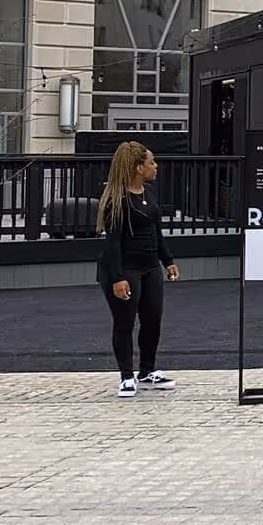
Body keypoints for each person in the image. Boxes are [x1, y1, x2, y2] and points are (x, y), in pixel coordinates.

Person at [96, 141, 179, 397]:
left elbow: (157, 232)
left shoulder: (148, 194)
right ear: (137, 167)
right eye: (151, 162)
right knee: (125, 322)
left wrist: (168, 261)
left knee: (152, 319)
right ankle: (126, 376)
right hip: (125, 268)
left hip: (150, 266)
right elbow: (112, 243)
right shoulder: (116, 201)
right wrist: (118, 277)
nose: (156, 166)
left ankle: (147, 371)